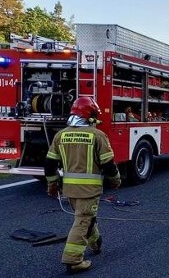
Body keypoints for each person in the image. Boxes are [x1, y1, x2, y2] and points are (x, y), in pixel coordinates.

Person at [45, 96, 121, 273]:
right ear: (91, 116)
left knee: (85, 217)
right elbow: (108, 164)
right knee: (82, 221)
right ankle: (73, 260)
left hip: (69, 190)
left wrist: (52, 185)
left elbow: (49, 164)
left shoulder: (60, 135)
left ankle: (95, 243)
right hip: (89, 190)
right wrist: (116, 180)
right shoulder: (98, 135)